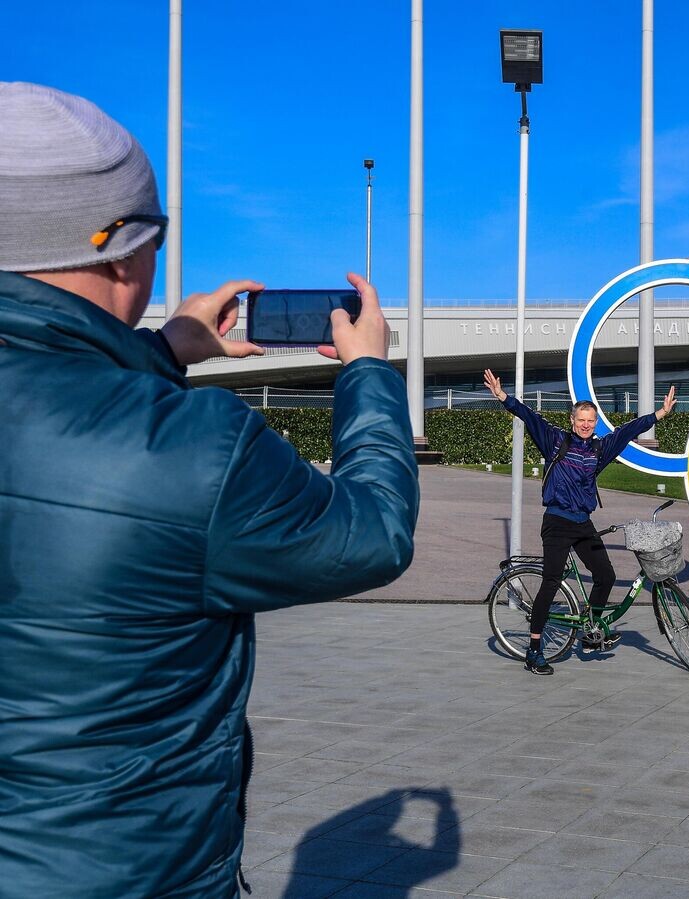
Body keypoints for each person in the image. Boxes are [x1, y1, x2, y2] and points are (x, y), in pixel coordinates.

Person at [0, 82, 419, 897]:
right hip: (126, 872)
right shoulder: (200, 447)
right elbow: (371, 533)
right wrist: (368, 373)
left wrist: (160, 351)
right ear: (123, 249)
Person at [483, 368, 675, 674]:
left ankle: (592, 630)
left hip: (583, 523)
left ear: (595, 423)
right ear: (572, 421)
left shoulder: (599, 449)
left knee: (606, 576)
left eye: (590, 421)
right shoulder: (555, 441)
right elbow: (529, 416)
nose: (585, 425)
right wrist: (503, 397)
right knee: (551, 582)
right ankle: (534, 651)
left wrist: (659, 414)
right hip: (557, 523)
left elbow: (626, 431)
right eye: (581, 420)